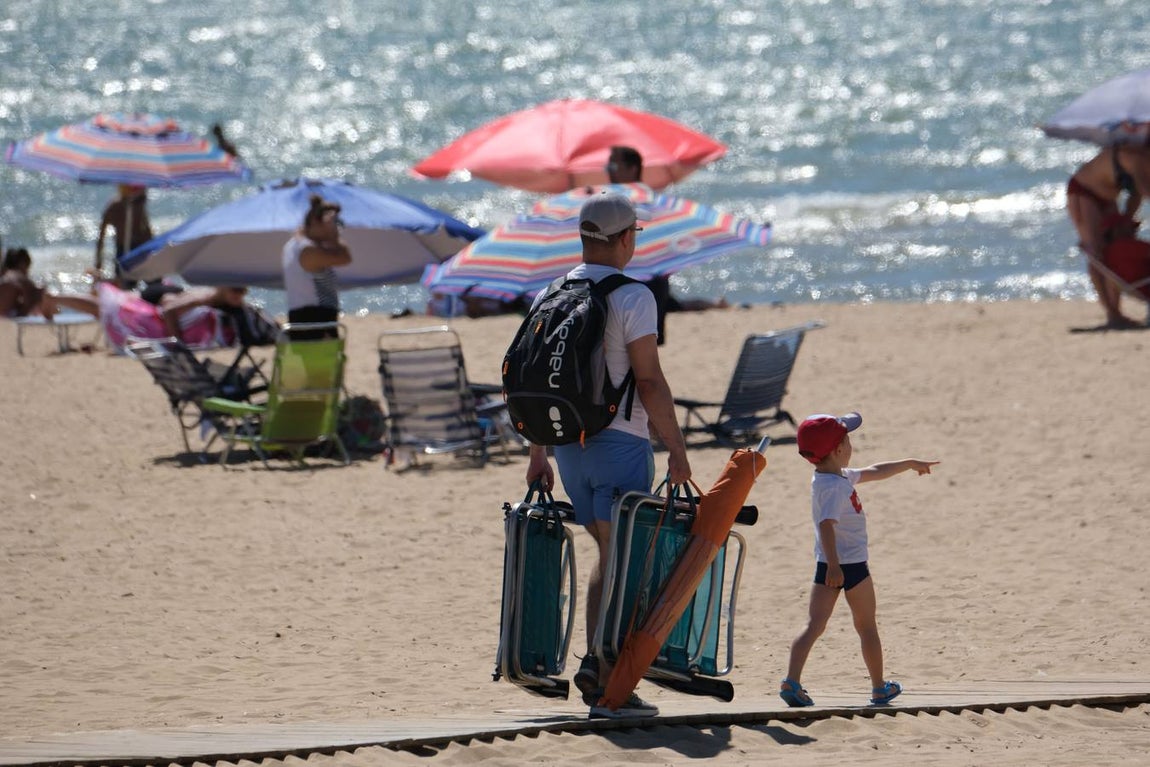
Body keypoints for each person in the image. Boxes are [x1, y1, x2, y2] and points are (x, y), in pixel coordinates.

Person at [524, 192, 692, 719]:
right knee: (629, 563)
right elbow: (649, 380)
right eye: (635, 235)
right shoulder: (634, 296)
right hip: (621, 441)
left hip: (568, 447)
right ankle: (609, 679)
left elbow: (534, 379)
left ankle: (598, 667)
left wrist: (538, 453)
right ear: (625, 239)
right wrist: (679, 452)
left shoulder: (550, 292)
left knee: (611, 552)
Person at [780, 412, 938, 709]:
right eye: (848, 440)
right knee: (866, 626)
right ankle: (879, 688)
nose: (852, 445)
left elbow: (876, 470)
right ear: (838, 450)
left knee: (814, 624)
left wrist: (909, 464)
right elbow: (826, 525)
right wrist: (837, 566)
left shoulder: (830, 476)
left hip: (827, 564)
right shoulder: (834, 487)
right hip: (847, 565)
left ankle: (792, 680)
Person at [1066, 141, 1150, 328]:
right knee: (1096, 251)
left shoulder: (1142, 157)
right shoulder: (1136, 156)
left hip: (1107, 198)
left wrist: (1127, 221)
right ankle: (1112, 314)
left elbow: (1136, 195)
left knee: (1115, 250)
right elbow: (1145, 191)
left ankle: (1116, 312)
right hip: (1084, 192)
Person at [282, 194, 351, 338]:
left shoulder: (297, 245)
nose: (337, 228)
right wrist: (334, 237)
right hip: (315, 320)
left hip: (309, 318)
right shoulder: (308, 250)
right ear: (316, 222)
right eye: (333, 223)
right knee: (322, 360)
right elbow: (345, 258)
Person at [96, 184, 153, 288]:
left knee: (152, 284)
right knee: (125, 286)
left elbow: (147, 231)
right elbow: (101, 236)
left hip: (141, 249)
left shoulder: (138, 205)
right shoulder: (116, 206)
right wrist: (99, 263)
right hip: (124, 250)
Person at [0, 247, 46, 318]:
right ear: (22, 264)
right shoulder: (18, 277)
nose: (27, 272)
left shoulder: (5, 276)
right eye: (28, 267)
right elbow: (32, 298)